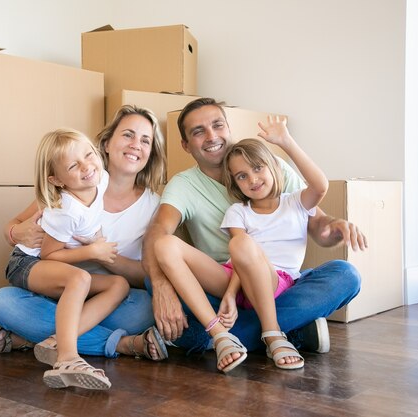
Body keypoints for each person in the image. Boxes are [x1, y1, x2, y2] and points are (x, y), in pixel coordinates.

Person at [143, 98, 366, 368]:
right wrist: (161, 285)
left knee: (345, 275)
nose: (212, 136)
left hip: (279, 282)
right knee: (153, 276)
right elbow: (159, 232)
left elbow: (318, 223)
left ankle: (217, 338)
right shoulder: (185, 185)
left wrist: (336, 226)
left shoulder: (272, 165)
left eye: (217, 125)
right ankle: (289, 330)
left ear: (229, 128)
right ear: (186, 145)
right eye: (198, 131)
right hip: (225, 282)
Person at [0, 105, 168, 366]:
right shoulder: (72, 187)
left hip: (102, 296)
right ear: (106, 143)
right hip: (53, 289)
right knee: (3, 302)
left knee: (144, 308)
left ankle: (32, 338)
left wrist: (104, 255)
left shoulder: (153, 205)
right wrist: (15, 232)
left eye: (145, 140)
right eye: (128, 135)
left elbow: (145, 274)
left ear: (151, 152)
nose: (135, 145)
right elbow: (14, 226)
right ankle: (118, 344)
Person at [6, 127, 133, 390]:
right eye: (74, 165)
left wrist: (94, 239)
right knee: (80, 278)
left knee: (119, 284)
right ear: (57, 180)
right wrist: (92, 251)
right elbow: (48, 254)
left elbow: (92, 219)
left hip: (49, 263)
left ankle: (55, 341)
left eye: (89, 155)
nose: (88, 167)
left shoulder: (102, 179)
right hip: (26, 264)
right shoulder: (65, 209)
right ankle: (67, 358)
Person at [219, 115, 329, 370]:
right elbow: (240, 256)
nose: (253, 180)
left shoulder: (296, 202)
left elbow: (320, 186)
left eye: (258, 168)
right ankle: (280, 330)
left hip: (276, 282)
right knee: (168, 264)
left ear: (275, 167)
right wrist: (230, 294)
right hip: (235, 277)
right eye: (242, 176)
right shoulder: (238, 211)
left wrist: (286, 142)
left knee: (345, 273)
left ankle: (255, 331)